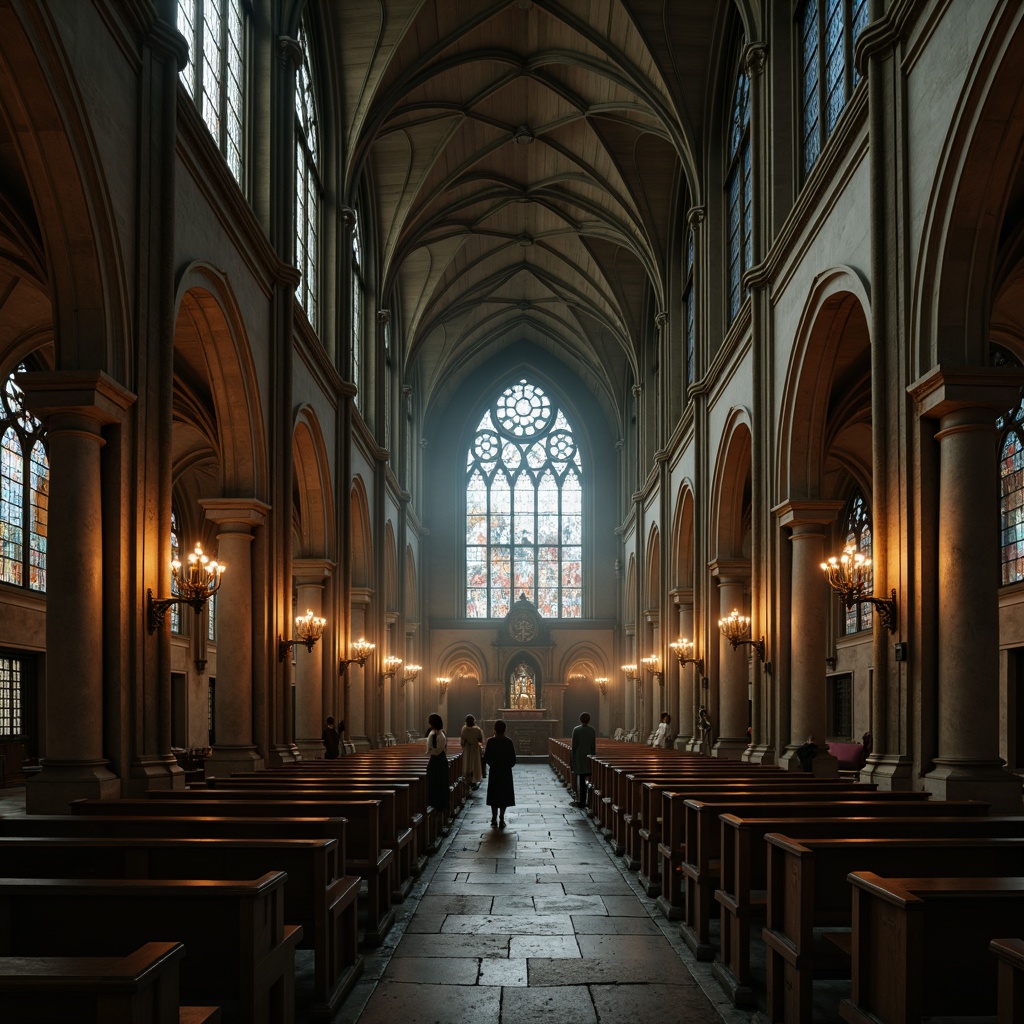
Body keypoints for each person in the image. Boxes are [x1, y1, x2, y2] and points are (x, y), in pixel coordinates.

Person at [482, 719, 516, 828]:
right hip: (505, 772)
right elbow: (513, 759)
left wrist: (493, 764)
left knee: (494, 794)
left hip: (495, 771)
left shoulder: (491, 741)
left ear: (494, 729)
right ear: (505, 729)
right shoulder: (508, 741)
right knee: (504, 795)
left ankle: (493, 817)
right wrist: (506, 765)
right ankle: (501, 817)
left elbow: (486, 757)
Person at [425, 713, 449, 830]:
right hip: (439, 761)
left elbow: (435, 750)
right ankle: (440, 814)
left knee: (437, 786)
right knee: (439, 786)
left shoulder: (436, 734)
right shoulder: (438, 733)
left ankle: (439, 816)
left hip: (437, 762)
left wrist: (429, 751)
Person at [570, 712, 597, 808]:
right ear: (589, 720)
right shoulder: (592, 730)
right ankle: (588, 801)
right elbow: (593, 746)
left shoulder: (576, 730)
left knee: (581, 780)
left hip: (579, 757)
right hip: (589, 757)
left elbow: (574, 746)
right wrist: (594, 757)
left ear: (580, 720)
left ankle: (581, 801)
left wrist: (572, 760)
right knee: (589, 779)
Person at [460, 714, 485, 790]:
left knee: (467, 764)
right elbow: (480, 740)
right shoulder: (477, 730)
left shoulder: (464, 729)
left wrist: (467, 743)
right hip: (474, 748)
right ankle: (474, 780)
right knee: (474, 763)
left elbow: (462, 742)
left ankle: (467, 780)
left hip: (467, 749)